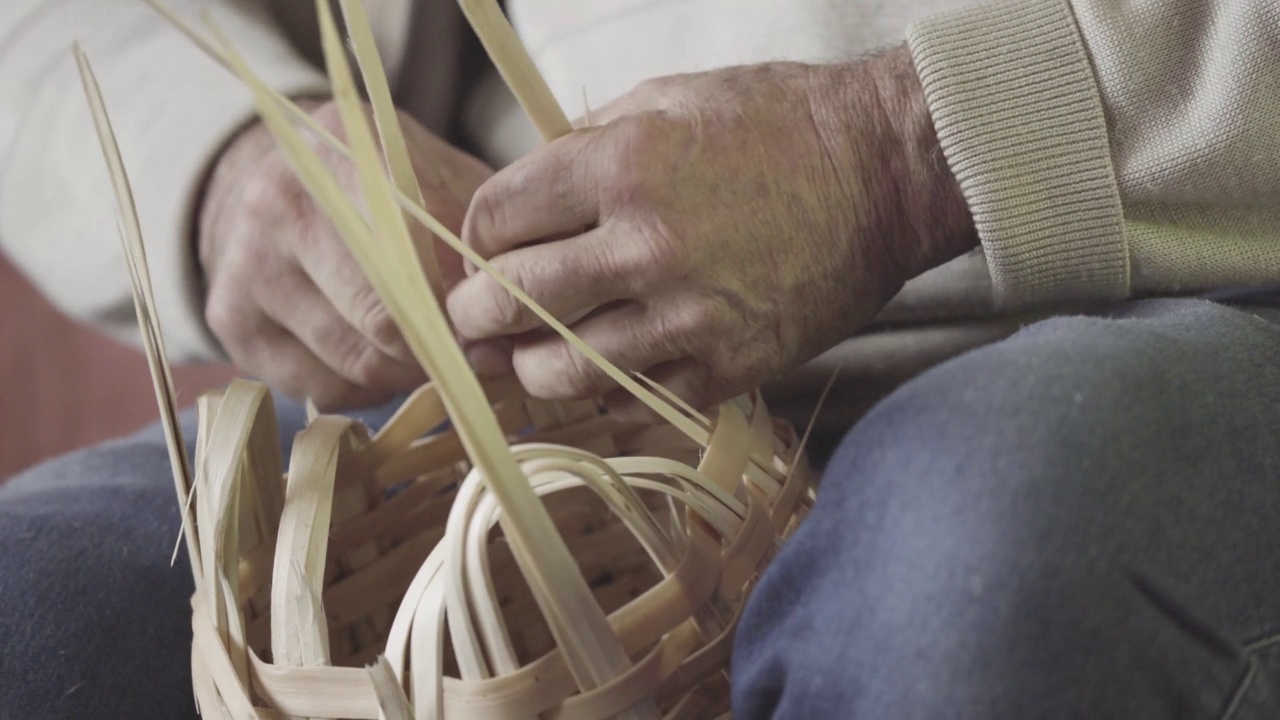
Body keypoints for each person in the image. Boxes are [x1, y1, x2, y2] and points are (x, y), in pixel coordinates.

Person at [2, 0, 1279, 717]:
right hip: (547, 347)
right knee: (28, 616)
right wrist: (224, 162)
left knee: (962, 564)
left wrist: (910, 153)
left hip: (1172, 274)